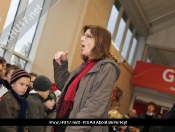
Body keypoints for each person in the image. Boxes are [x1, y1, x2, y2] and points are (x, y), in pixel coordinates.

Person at [53, 25, 121, 132]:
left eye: (88, 36)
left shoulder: (107, 68)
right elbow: (63, 85)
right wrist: (61, 63)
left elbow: (94, 107)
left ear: (99, 42)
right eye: (83, 35)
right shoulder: (85, 65)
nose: (82, 38)